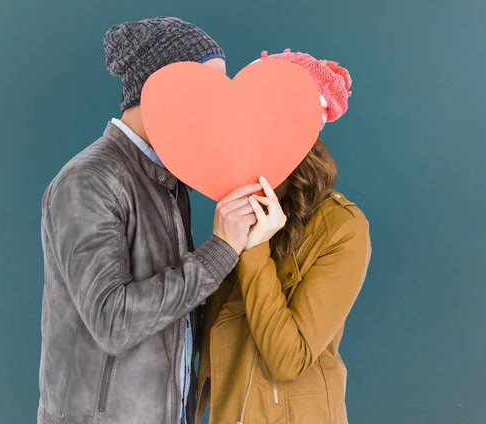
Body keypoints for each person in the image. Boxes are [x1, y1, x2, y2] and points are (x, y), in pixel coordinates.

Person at [37, 17, 260, 424]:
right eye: (205, 91)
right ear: (159, 89)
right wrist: (220, 250)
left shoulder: (170, 180)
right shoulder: (88, 181)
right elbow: (114, 321)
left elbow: (178, 308)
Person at [195, 50, 372, 424]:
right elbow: (207, 335)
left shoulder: (342, 227)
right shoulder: (238, 203)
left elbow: (289, 359)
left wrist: (256, 248)